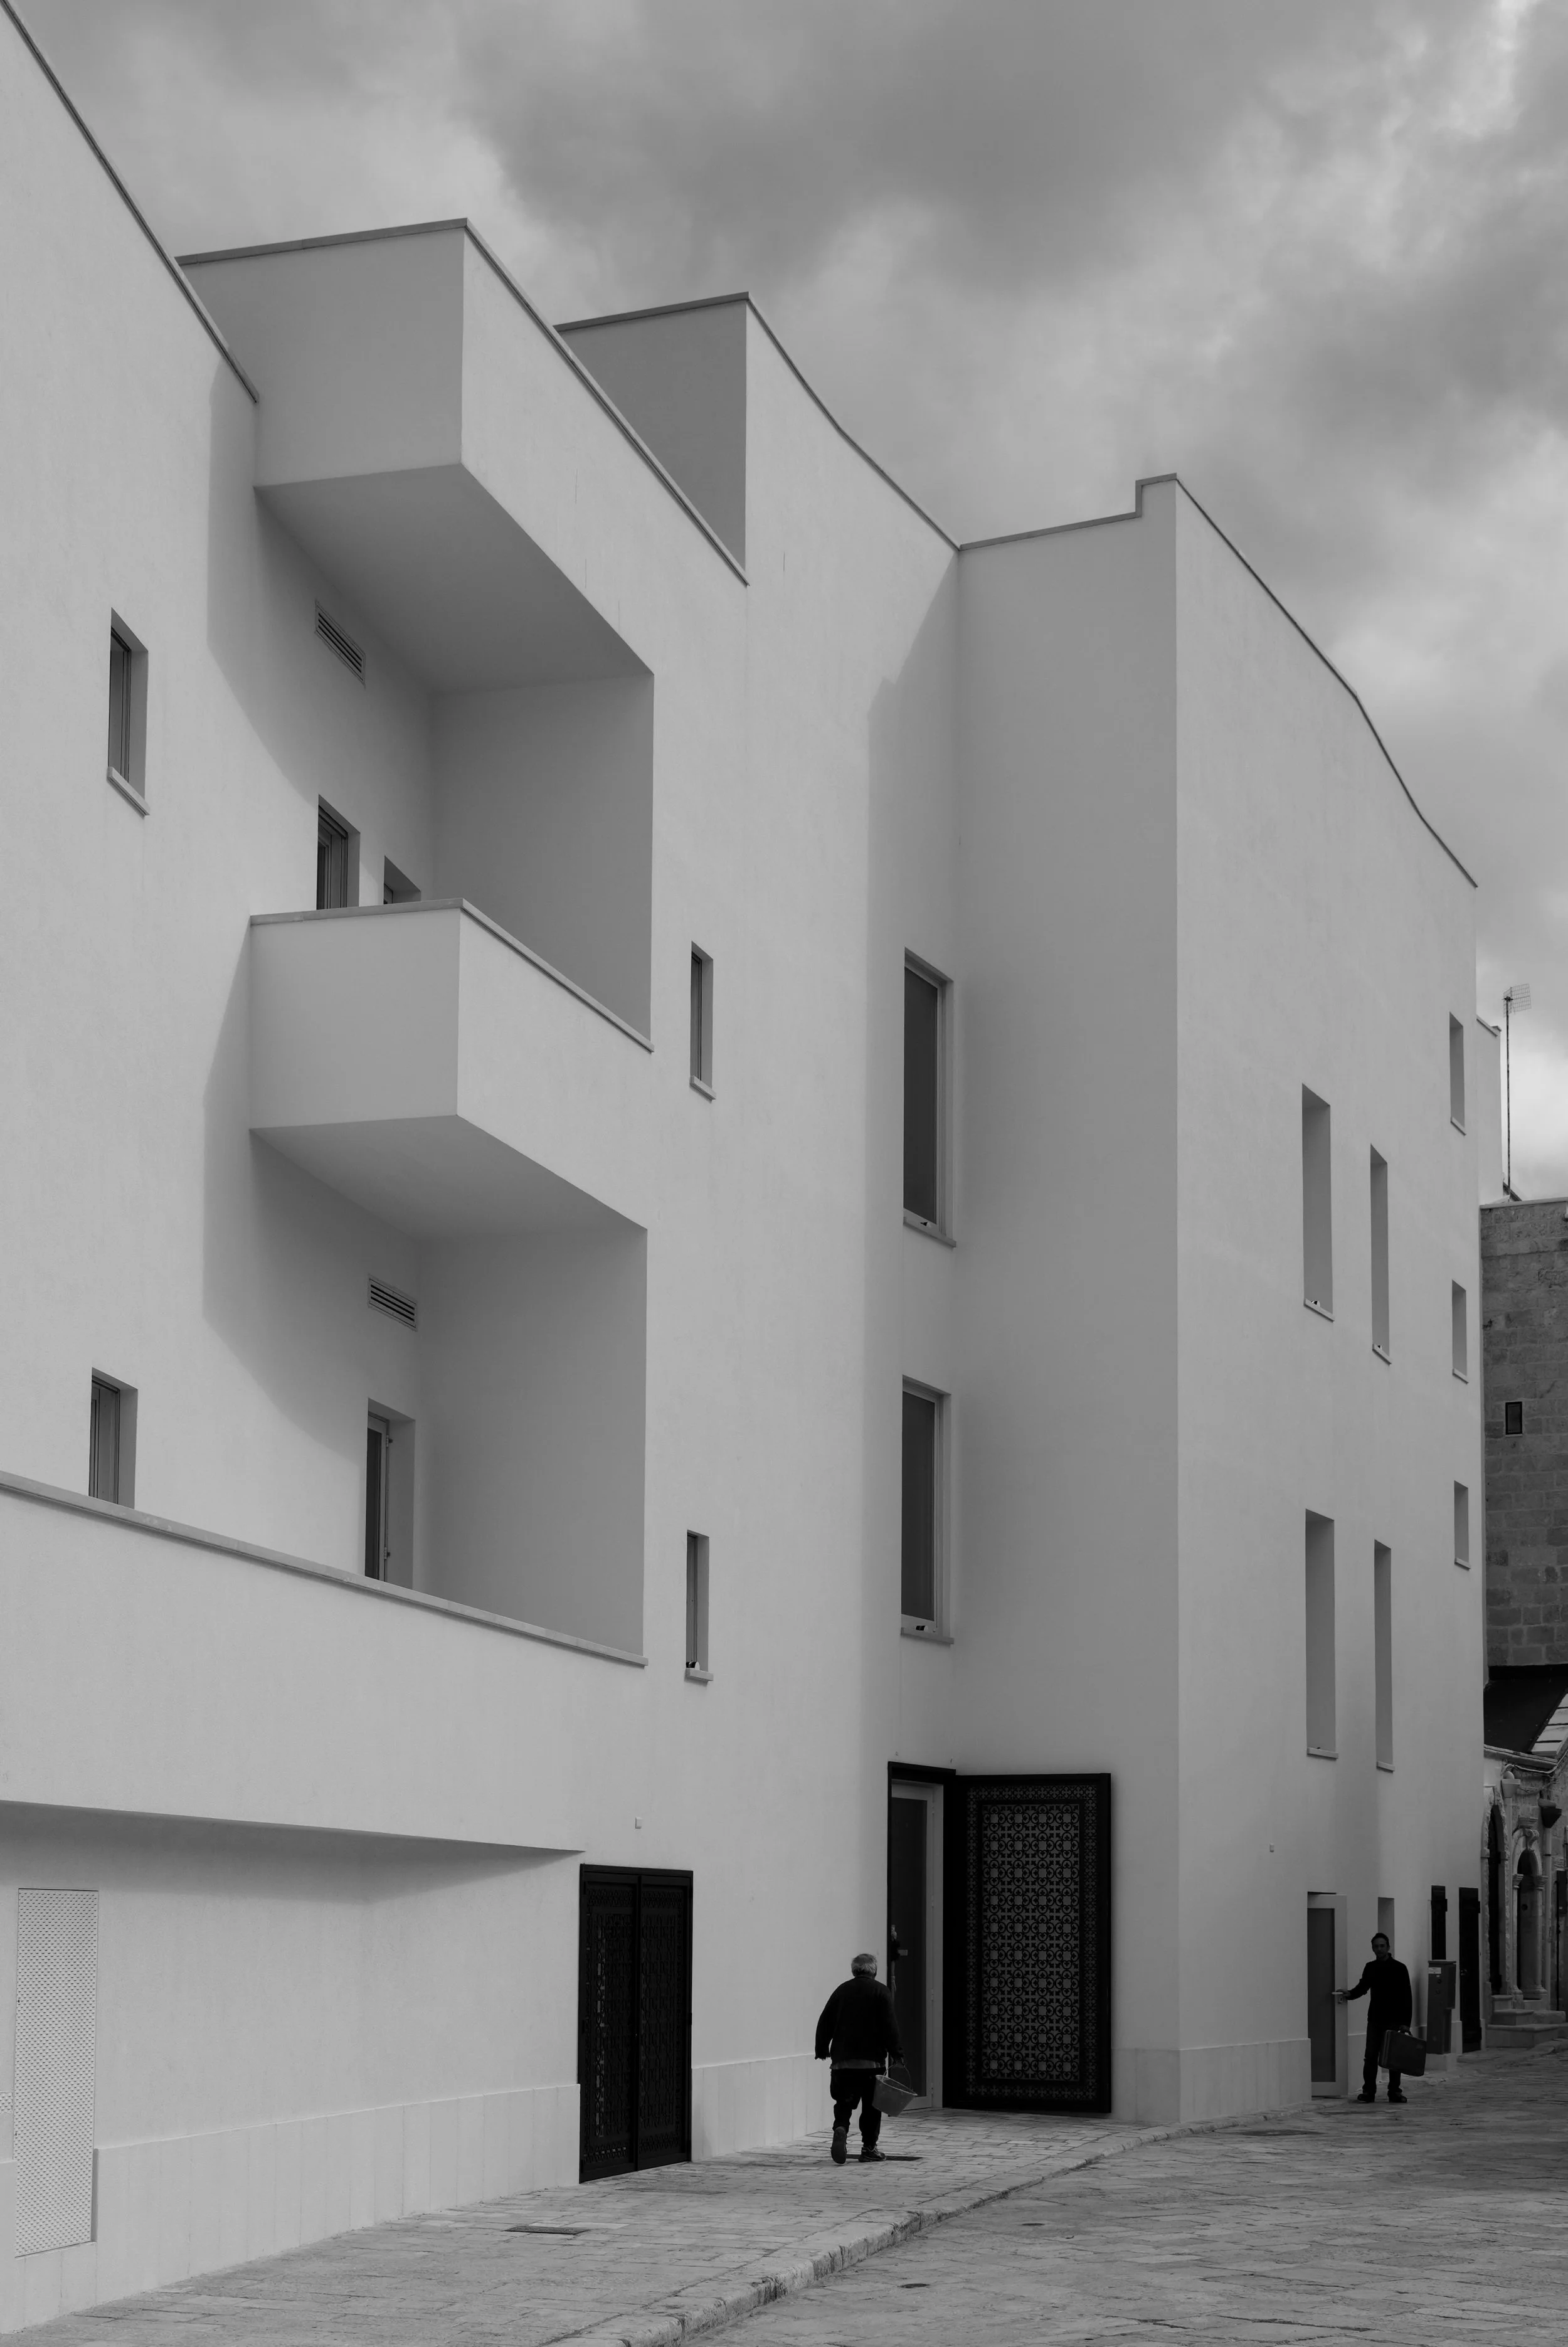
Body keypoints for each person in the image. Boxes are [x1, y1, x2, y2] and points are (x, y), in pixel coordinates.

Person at [815, 1951, 903, 2163]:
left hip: (843, 2062)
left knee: (843, 2102)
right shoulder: (881, 1992)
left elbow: (825, 2021)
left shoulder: (841, 1991)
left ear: (854, 1971)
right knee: (872, 2107)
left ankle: (841, 2128)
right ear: (874, 1971)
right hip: (872, 2062)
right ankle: (869, 2148)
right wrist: (898, 2054)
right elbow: (890, 2027)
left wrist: (822, 2049)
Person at [1336, 1931, 1414, 2103]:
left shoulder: (1400, 1968)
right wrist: (1350, 1994)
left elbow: (1406, 1996)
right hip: (1376, 2020)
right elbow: (1363, 1987)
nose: (1379, 1949)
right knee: (1370, 2056)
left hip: (1395, 2020)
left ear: (1388, 1947)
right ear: (1372, 1949)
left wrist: (1405, 2023)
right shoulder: (1371, 1967)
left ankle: (1394, 2092)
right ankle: (1368, 2092)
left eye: (1382, 1946)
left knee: (1394, 2058)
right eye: (1376, 1947)